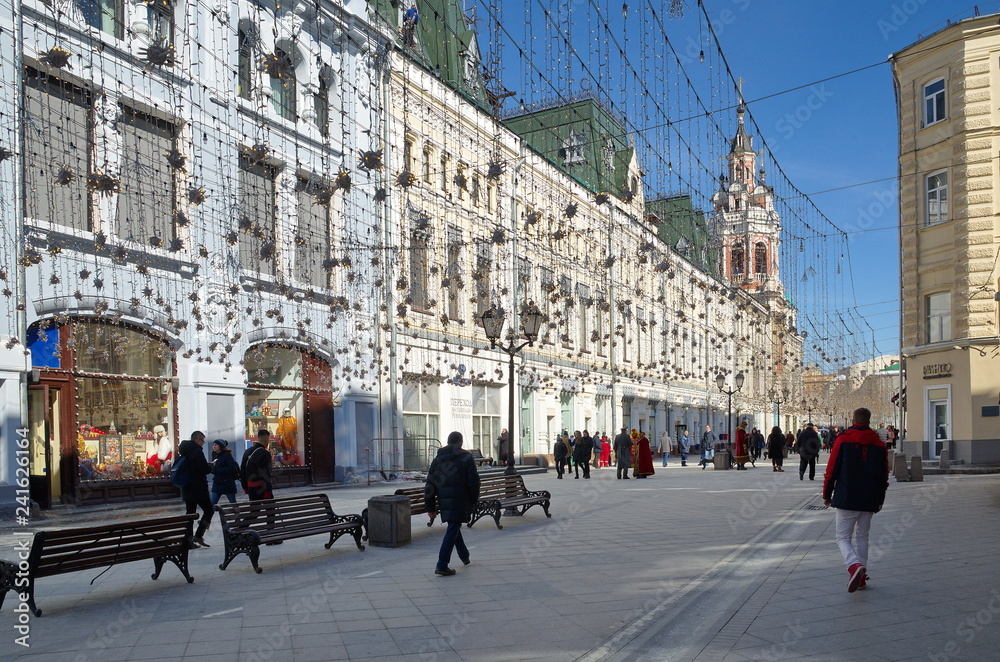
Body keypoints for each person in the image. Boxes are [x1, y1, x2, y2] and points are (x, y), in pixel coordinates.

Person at [823, 407, 889, 593]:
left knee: (843, 537)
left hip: (846, 495)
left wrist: (827, 494)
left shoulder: (843, 439)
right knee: (862, 537)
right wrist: (880, 498)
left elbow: (832, 468)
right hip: (869, 498)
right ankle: (861, 578)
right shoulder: (879, 444)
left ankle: (853, 566)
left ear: (853, 420)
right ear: (869, 421)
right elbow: (884, 475)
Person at [425, 431, 481, 576]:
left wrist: (430, 506)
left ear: (448, 442)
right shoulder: (466, 458)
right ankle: (442, 564)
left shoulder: (438, 459)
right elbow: (474, 483)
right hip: (461, 500)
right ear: (460, 443)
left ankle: (464, 556)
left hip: (444, 501)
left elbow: (430, 484)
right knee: (453, 527)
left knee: (453, 525)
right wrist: (473, 501)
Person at [178, 430, 214, 548]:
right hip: (198, 488)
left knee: (190, 514)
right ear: (197, 440)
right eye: (202, 441)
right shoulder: (197, 451)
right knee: (209, 510)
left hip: (187, 487)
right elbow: (204, 469)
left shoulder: (184, 451)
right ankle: (198, 535)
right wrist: (211, 466)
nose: (203, 443)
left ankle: (188, 540)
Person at [241, 429, 277, 542]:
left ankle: (239, 530)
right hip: (262, 487)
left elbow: (242, 470)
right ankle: (270, 536)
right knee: (270, 510)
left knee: (254, 511)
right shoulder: (264, 453)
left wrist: (245, 487)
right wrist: (268, 490)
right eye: (269, 439)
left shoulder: (248, 451)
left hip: (251, 486)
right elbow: (266, 474)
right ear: (266, 439)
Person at [210, 439, 240, 505]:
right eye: (213, 445)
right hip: (217, 483)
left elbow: (231, 468)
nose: (214, 447)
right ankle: (209, 515)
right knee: (212, 504)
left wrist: (217, 469)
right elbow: (214, 470)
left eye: (216, 445)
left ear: (220, 446)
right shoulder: (214, 455)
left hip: (227, 483)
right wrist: (211, 467)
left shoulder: (227, 456)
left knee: (233, 502)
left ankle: (237, 514)